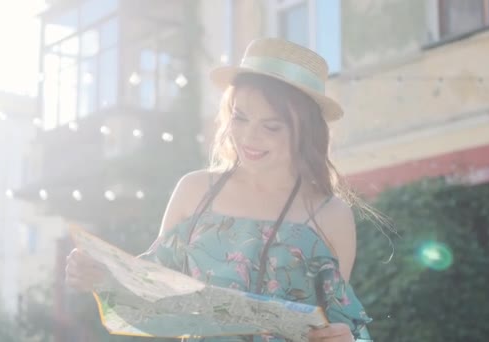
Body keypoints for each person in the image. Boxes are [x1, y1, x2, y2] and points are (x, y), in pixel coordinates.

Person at [66, 38, 374, 342]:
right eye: (240, 117)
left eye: (271, 126)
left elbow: (340, 323)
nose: (249, 137)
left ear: (305, 132)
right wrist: (102, 277)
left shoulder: (332, 214)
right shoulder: (195, 190)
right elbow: (153, 289)